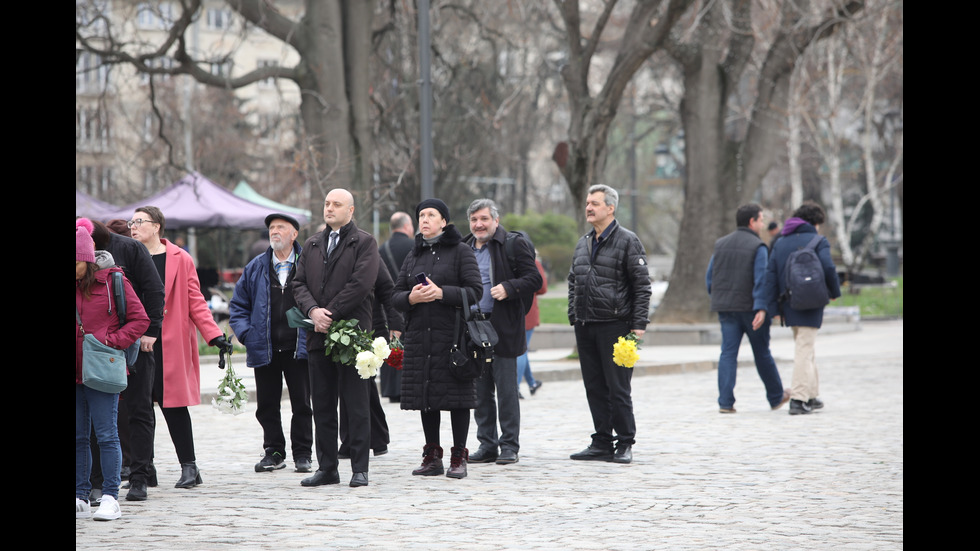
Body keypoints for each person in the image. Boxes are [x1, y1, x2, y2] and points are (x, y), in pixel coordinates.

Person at [129, 206, 234, 489]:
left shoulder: (179, 258)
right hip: (135, 340)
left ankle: (190, 467)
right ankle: (144, 468)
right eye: (131, 222)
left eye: (139, 222)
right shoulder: (128, 256)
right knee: (139, 407)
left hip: (170, 341)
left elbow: (196, 301)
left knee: (172, 405)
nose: (133, 227)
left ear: (157, 226)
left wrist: (214, 336)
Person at [292, 189, 380, 488]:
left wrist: (330, 313)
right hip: (317, 337)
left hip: (352, 337)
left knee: (356, 405)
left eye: (336, 204)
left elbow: (362, 283)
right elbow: (298, 283)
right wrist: (313, 311)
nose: (329, 208)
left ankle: (359, 467)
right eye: (327, 204)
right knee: (324, 405)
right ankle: (327, 467)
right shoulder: (313, 243)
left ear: (350, 210)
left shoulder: (365, 242)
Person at [391, 198, 482, 479]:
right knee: (426, 396)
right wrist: (411, 297)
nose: (425, 220)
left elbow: (475, 291)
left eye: (431, 215)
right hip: (420, 337)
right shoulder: (413, 254)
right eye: (421, 215)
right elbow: (395, 296)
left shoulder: (461, 251)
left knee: (457, 398)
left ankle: (459, 457)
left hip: (452, 336)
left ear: (444, 221)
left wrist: (443, 293)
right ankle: (432, 457)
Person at [567, 185, 651, 465]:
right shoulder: (583, 242)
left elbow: (642, 286)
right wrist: (573, 314)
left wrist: (638, 325)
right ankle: (602, 440)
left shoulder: (628, 240)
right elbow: (572, 280)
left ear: (610, 208)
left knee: (618, 388)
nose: (589, 207)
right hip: (585, 325)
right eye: (587, 203)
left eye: (595, 203)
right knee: (594, 386)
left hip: (617, 326)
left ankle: (625, 442)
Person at [76, 218, 150, 521]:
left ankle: (110, 496)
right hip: (76, 370)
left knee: (107, 435)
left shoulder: (113, 281)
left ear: (85, 259)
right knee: (79, 436)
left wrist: (111, 341)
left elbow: (140, 319)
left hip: (102, 368)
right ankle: (80, 495)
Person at [229, 213, 314, 474]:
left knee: (302, 404)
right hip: (264, 347)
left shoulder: (308, 264)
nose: (274, 232)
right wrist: (247, 334)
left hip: (299, 347)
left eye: (281, 228)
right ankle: (273, 451)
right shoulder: (256, 266)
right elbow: (238, 305)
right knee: (267, 405)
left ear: (294, 234)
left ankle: (303, 454)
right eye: (272, 228)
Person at [90, 220, 165, 503]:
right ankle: (94, 481)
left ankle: (140, 476)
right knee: (95, 417)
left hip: (134, 343)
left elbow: (154, 291)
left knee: (139, 409)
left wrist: (151, 333)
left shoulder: (130, 250)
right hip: (95, 349)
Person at [463, 199, 542, 466]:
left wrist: (509, 287)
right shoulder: (464, 247)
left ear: (495, 220)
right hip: (473, 328)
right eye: (474, 220)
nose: (479, 224)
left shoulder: (512, 243)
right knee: (480, 392)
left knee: (507, 390)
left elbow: (535, 279)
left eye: (484, 219)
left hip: (503, 327)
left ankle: (509, 445)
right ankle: (487, 444)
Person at [705, 204, 790, 414]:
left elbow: (710, 277)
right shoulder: (758, 246)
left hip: (726, 308)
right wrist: (761, 307)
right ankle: (776, 396)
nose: (762, 224)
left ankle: (725, 402)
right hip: (752, 310)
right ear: (752, 221)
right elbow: (762, 279)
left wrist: (718, 298)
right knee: (762, 353)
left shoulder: (721, 244)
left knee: (728, 353)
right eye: (760, 220)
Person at [763, 201, 841, 415]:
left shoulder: (780, 241)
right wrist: (834, 292)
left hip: (788, 301)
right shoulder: (818, 240)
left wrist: (773, 307)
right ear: (814, 223)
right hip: (812, 301)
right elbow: (828, 268)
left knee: (805, 345)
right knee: (804, 348)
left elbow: (770, 275)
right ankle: (798, 399)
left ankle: (812, 395)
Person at [338, 263, 404, 459]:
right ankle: (377, 437)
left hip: (369, 328)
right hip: (343, 326)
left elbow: (387, 289)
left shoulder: (366, 248)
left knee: (357, 384)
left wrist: (395, 324)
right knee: (360, 385)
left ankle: (354, 439)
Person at [378, 211, 415, 403]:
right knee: (408, 345)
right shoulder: (414, 246)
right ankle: (406, 387)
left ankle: (390, 388)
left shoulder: (380, 249)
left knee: (390, 344)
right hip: (410, 302)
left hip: (388, 304)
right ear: (407, 226)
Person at [516, 253, 548, 398]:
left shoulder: (505, 258)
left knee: (521, 349)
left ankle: (531, 382)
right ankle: (515, 387)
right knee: (522, 350)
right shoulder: (533, 262)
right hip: (528, 312)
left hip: (510, 311)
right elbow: (542, 288)